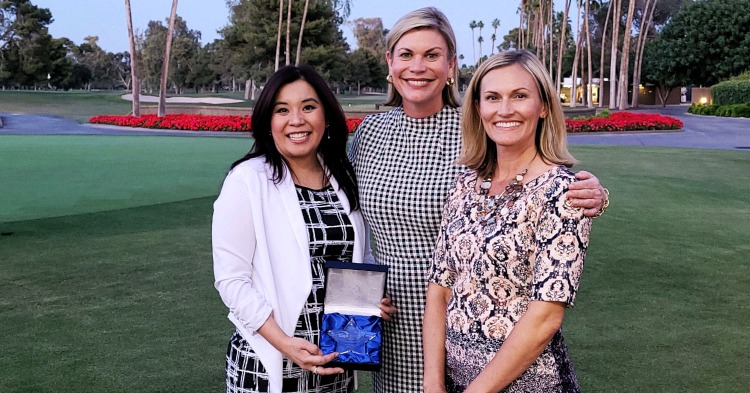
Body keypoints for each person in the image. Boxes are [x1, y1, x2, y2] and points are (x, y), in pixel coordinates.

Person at [348, 7, 608, 392]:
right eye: (406, 54)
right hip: (392, 321)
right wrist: (357, 286)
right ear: (389, 62)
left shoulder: (475, 128)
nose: (417, 66)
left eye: (432, 55)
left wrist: (595, 195)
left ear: (451, 65)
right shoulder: (371, 131)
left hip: (477, 341)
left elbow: (534, 179)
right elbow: (342, 212)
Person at [212, 65, 396, 393]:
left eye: (308, 107)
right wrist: (284, 343)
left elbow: (357, 253)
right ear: (269, 122)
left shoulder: (343, 177)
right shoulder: (248, 180)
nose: (296, 120)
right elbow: (231, 280)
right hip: (270, 361)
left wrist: (370, 297)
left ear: (325, 116)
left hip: (337, 360)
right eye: (282, 110)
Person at [423, 50, 592, 393]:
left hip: (529, 385)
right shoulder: (465, 186)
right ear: (478, 109)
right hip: (456, 382)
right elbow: (439, 287)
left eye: (519, 96)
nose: (504, 110)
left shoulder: (562, 192)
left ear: (543, 106)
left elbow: (545, 315)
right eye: (492, 97)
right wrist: (432, 382)